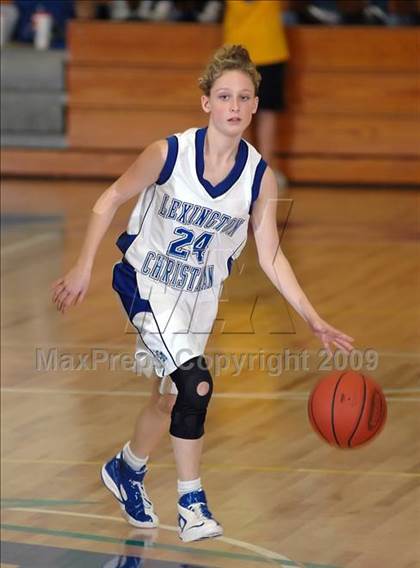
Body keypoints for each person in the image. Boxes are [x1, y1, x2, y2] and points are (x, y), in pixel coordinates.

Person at [51, 45, 354, 543]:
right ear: (206, 103)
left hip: (198, 298)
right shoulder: (169, 153)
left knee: (169, 397)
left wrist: (312, 316)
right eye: (224, 96)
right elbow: (110, 199)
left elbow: (271, 255)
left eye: (244, 97)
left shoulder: (259, 178)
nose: (234, 106)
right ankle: (191, 503)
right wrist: (83, 265)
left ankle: (127, 468)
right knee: (196, 384)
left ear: (256, 105)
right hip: (145, 282)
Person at [223, 1, 289, 189]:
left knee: (256, 111)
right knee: (240, 112)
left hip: (265, 49)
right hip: (247, 50)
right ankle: (245, 169)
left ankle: (262, 170)